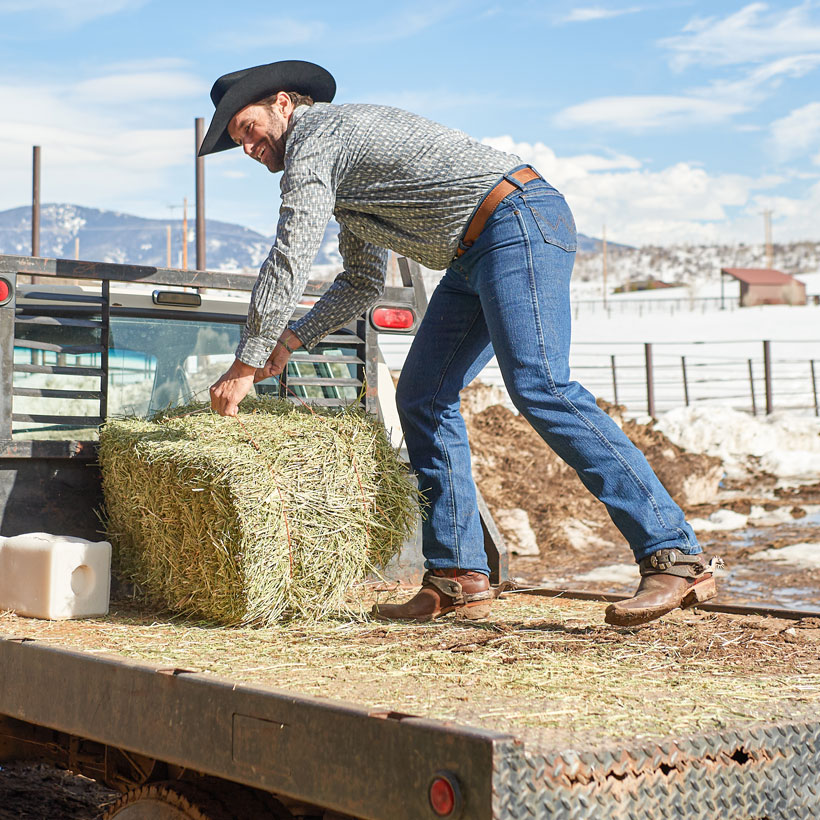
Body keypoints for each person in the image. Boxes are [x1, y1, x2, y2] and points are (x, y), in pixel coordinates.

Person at [202, 60, 720, 627]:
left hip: (516, 219)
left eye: (247, 129)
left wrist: (246, 360)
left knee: (541, 386)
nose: (248, 149)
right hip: (472, 252)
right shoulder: (338, 171)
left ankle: (673, 555)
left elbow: (290, 254)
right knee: (421, 395)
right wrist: (291, 339)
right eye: (237, 143)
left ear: (282, 103)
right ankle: (457, 576)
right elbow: (361, 281)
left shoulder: (317, 137)